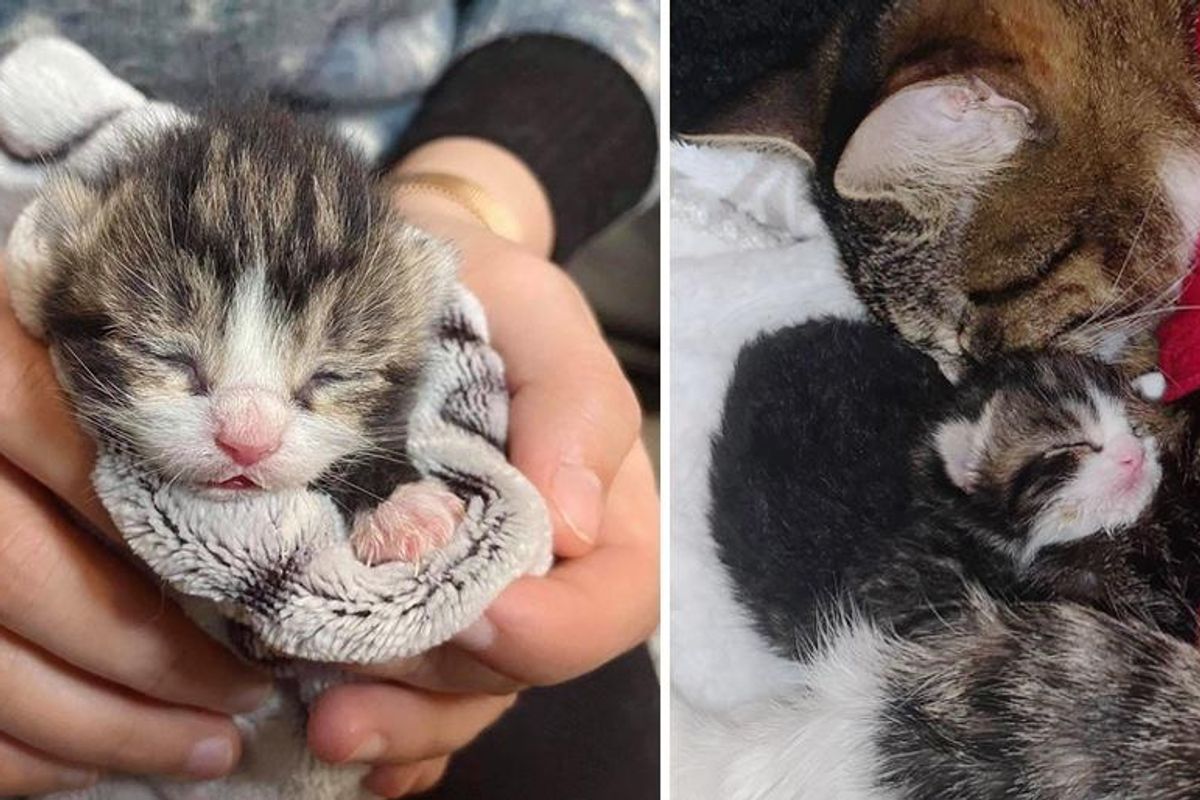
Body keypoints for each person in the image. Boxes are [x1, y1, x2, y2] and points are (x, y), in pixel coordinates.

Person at [0, 2, 660, 797]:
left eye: (324, 384)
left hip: (392, 179)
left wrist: (474, 202)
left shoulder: (396, 306)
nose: (248, 436)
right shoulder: (85, 243)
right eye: (172, 358)